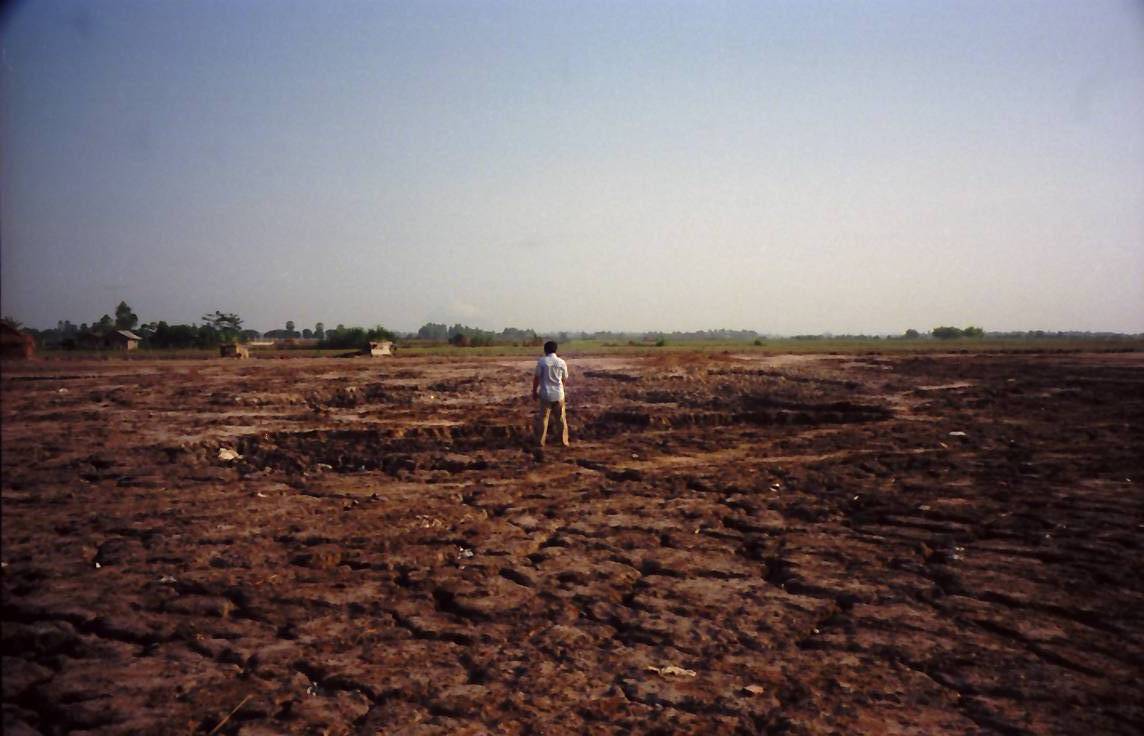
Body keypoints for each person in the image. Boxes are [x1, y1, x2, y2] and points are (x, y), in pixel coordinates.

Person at [532, 340, 569, 447]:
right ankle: (564, 442)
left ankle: (540, 442)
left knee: (543, 419)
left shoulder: (542, 362)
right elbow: (564, 379)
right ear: (555, 350)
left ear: (545, 350)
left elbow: (536, 378)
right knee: (561, 419)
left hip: (545, 395)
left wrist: (534, 392)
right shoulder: (562, 362)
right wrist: (561, 388)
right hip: (559, 395)